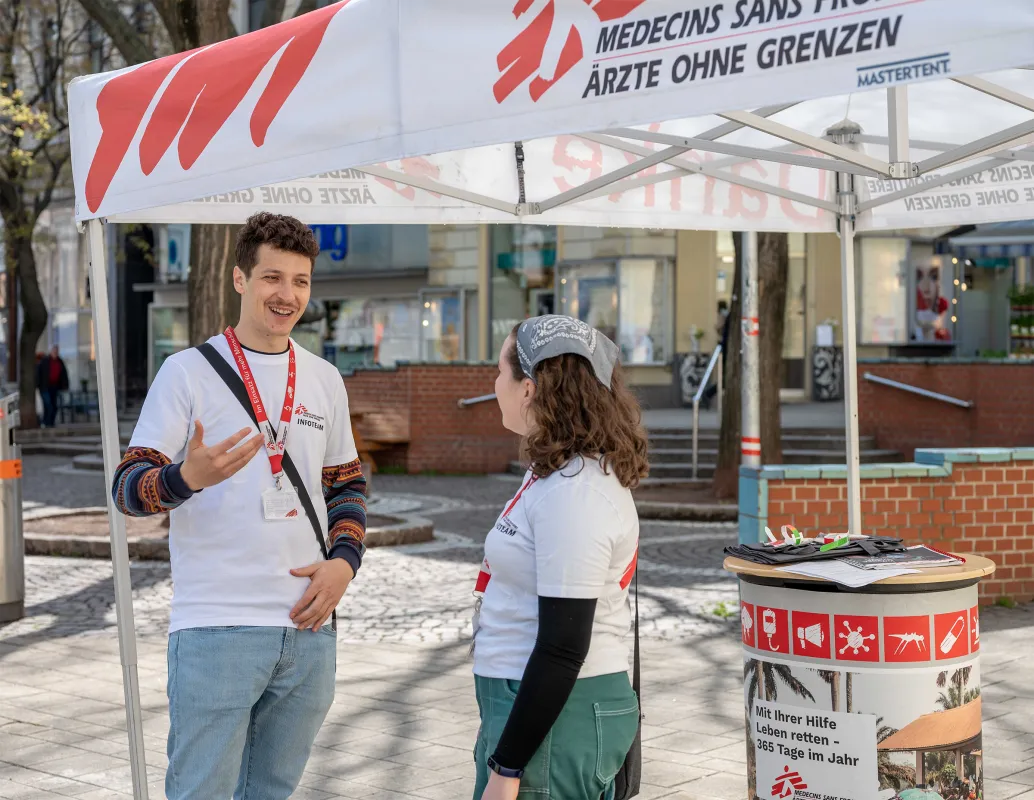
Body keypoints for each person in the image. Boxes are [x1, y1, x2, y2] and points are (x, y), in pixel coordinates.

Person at [111, 212, 367, 800]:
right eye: (272, 277)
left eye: (300, 281)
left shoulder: (325, 379)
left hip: (308, 630)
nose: (287, 295)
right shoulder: (187, 373)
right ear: (239, 279)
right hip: (216, 627)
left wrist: (345, 563)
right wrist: (184, 477)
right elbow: (129, 485)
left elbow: (346, 487)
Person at [472, 314, 648, 800]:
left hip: (556, 718)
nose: (494, 382)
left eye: (500, 371)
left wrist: (507, 768)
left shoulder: (576, 492)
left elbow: (564, 644)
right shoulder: (557, 472)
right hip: (535, 710)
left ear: (528, 389)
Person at [37, 345, 69, 427]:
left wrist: (65, 385)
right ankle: (46, 422)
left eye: (56, 351)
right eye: (54, 351)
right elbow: (39, 373)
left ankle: (50, 423)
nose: (55, 353)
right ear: (51, 352)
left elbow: (63, 374)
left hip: (54, 387)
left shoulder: (59, 361)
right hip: (45, 387)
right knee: (48, 405)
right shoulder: (45, 361)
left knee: (54, 406)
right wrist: (38, 385)